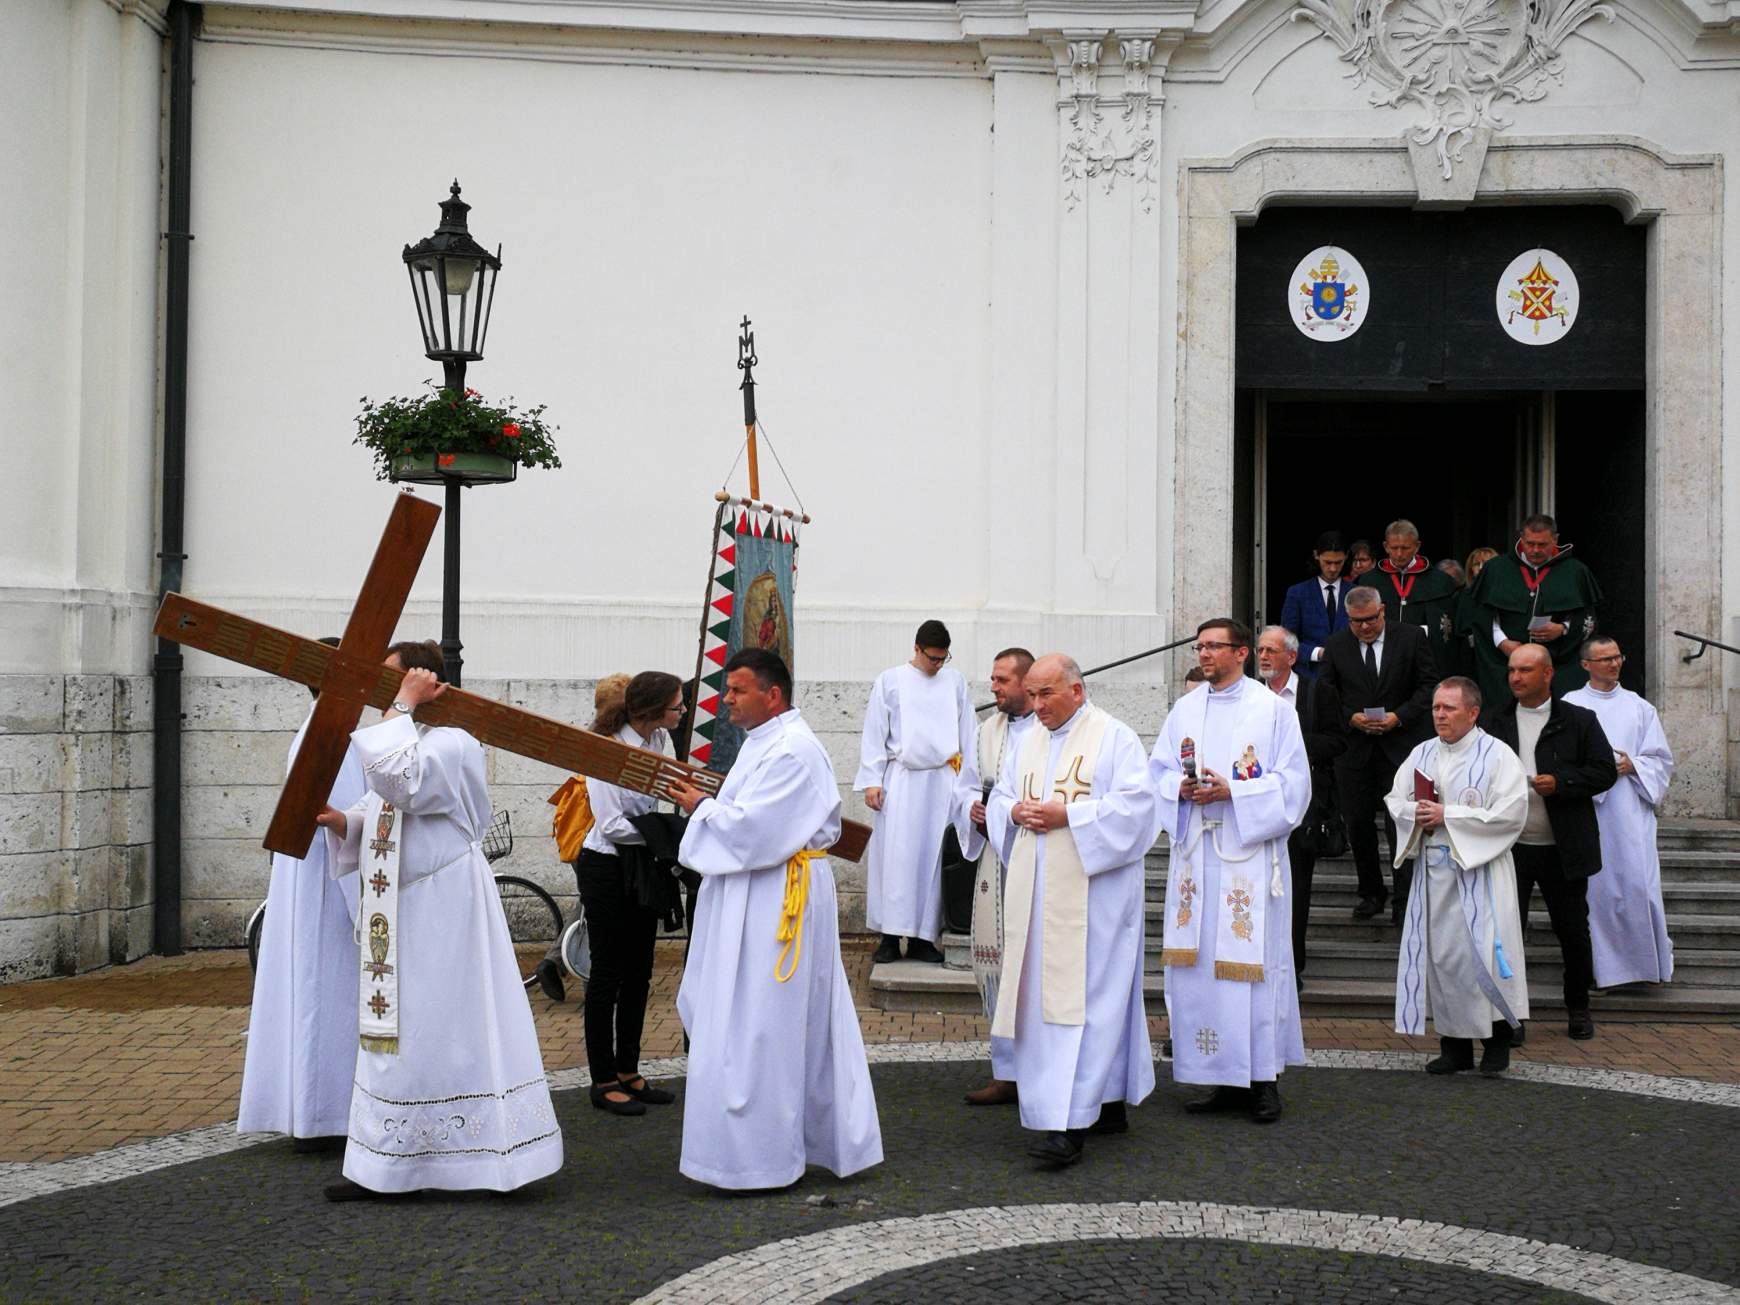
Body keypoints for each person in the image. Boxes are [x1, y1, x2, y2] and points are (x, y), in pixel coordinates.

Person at [315, 641, 562, 1199]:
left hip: (444, 912)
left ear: (425, 683)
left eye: (394, 681)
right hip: (404, 911)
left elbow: (401, 781)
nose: (385, 692)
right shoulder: (409, 739)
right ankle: (388, 1163)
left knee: (447, 1028)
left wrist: (401, 706)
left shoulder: (452, 742)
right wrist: (344, 824)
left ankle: (479, 1159)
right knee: (401, 1032)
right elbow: (387, 808)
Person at [666, 649, 882, 1190]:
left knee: (763, 1024)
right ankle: (740, 1149)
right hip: (753, 893)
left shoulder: (793, 750)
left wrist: (700, 807)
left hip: (776, 897)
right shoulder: (763, 742)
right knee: (744, 1019)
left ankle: (762, 1157)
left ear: (773, 694)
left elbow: (753, 832)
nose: (727, 700)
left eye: (737, 690)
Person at [984, 654, 1156, 1165]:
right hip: (1036, 901)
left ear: (1076, 691)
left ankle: (1069, 1123)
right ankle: (1102, 1104)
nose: (1035, 707)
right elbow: (1002, 798)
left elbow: (1138, 810)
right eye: (1031, 696)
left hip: (1094, 902)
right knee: (1047, 1003)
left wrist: (1070, 816)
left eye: (1046, 696)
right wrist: (1013, 810)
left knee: (1085, 1006)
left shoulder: (1115, 737)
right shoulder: (1027, 739)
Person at [1150, 620, 1309, 1124]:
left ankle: (1262, 1080)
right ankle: (1219, 1076)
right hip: (1197, 857)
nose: (1204, 654)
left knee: (1254, 970)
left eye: (1213, 647)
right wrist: (1180, 787)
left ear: (1240, 652)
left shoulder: (1274, 712)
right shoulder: (1186, 708)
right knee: (1201, 971)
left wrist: (1233, 792)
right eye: (1200, 647)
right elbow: (1156, 771)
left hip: (1247, 859)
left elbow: (1294, 786)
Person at [238, 637, 367, 1150]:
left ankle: (316, 1109)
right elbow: (339, 816)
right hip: (329, 882)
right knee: (325, 990)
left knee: (317, 990)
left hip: (318, 876)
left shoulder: (331, 730)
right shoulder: (330, 734)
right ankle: (323, 1113)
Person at [1384, 677, 1530, 1075]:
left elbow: (1512, 813)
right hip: (1434, 876)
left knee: (1483, 954)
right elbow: (1395, 799)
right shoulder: (1421, 752)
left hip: (1480, 872)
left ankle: (1498, 1044)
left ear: (1473, 712)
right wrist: (1414, 813)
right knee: (1444, 959)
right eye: (1435, 708)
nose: (1440, 715)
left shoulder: (1498, 756)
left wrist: (1450, 814)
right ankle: (1455, 1046)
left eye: (1448, 708)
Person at [1482, 643, 1618, 1041]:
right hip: (1510, 848)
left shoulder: (1579, 720)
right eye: (1511, 670)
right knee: (1508, 935)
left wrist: (1562, 782)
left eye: (1525, 670)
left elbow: (1604, 771)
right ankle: (1511, 1017)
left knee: (1573, 933)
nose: (1516, 678)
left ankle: (1578, 1007)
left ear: (1547, 674)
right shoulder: (1495, 721)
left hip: (1564, 847)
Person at [573, 671, 686, 1117]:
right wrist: (667, 835)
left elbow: (658, 798)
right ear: (652, 710)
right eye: (676, 707)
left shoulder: (658, 741)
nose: (682, 712)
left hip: (640, 861)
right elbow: (612, 825)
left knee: (640, 970)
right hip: (605, 865)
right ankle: (602, 1078)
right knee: (608, 973)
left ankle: (628, 1069)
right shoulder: (609, 749)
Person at [855, 619, 980, 964]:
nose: (937, 665)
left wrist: (968, 782)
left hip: (942, 780)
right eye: (932, 658)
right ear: (916, 649)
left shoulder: (954, 682)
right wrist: (872, 780)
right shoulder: (891, 681)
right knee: (898, 858)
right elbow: (874, 730)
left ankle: (926, 937)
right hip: (903, 780)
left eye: (943, 658)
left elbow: (968, 731)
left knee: (933, 857)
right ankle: (891, 936)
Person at [1317, 586, 1439, 923]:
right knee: (1357, 823)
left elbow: (1429, 686)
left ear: (1383, 611)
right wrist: (1350, 716)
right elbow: (1326, 693)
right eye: (1357, 622)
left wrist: (1399, 716)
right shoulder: (1336, 645)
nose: (1365, 627)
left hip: (1400, 746)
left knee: (1400, 823)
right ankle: (1371, 892)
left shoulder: (1411, 637)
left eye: (1371, 619)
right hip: (1354, 750)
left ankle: (1404, 898)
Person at [1565, 639, 1676, 987]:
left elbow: (1661, 759)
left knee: (1637, 886)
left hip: (1628, 809)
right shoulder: (1570, 704)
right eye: (1606, 659)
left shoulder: (1639, 708)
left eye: (1617, 657)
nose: (1614, 664)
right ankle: (1599, 972)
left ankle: (1641, 967)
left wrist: (1635, 765)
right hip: (1588, 808)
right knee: (1596, 893)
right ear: (1586, 664)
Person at [958, 647, 1038, 1108]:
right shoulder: (986, 731)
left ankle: (1038, 1069)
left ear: (1026, 683)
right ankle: (1006, 1070)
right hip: (994, 858)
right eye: (992, 679)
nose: (993, 688)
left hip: (1033, 858)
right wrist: (969, 806)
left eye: (1001, 680)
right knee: (998, 964)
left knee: (1031, 967)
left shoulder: (1049, 732)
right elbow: (966, 782)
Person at [1255, 626, 1345, 992]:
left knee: (1296, 892)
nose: (1262, 657)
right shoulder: (1246, 696)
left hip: (1300, 811)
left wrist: (1290, 746)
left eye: (1271, 651)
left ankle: (1292, 968)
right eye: (1260, 650)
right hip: (1255, 808)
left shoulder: (1315, 692)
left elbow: (1337, 741)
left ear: (1291, 657)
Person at [1470, 513, 1604, 704]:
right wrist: (1503, 643)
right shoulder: (1496, 569)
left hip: (1559, 664)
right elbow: (1482, 616)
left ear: (1555, 540)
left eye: (1542, 545)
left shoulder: (1575, 571)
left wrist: (1562, 628)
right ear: (1521, 539)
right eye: (1530, 543)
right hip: (1504, 663)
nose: (1535, 550)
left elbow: (1587, 618)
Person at [1366, 520, 1461, 676]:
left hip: (1426, 659)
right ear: (1385, 546)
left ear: (1417, 546)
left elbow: (1447, 629)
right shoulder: (1369, 581)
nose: (1399, 554)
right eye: (1394, 548)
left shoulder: (1441, 581)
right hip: (1382, 659)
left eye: (1405, 548)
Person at [1278, 530, 1352, 677]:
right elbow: (1287, 640)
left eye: (1338, 563)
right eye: (1327, 562)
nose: (1333, 569)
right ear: (1316, 555)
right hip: (1309, 675)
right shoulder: (1297, 593)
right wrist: (1317, 653)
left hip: (1348, 675)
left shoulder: (1356, 593)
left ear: (1346, 557)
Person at [1451, 547, 1499, 681]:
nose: (1481, 568)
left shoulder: (1504, 595)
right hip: (1470, 658)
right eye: (1477, 564)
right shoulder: (1463, 596)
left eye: (1487, 564)